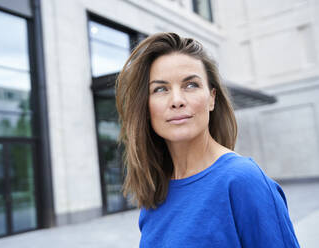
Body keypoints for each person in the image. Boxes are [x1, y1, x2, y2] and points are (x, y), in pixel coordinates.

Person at [115, 32, 300, 247]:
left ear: (212, 98)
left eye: (190, 85)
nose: (176, 100)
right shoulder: (156, 193)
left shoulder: (242, 180)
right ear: (146, 107)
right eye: (160, 89)